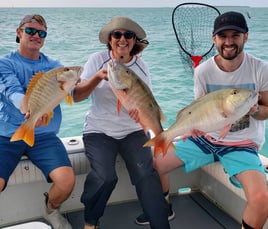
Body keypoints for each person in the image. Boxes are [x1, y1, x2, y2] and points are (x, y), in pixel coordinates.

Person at [154, 11, 268, 229]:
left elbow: (267, 110)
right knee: (153, 164)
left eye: (235, 35)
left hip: (241, 145)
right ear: (214, 39)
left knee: (262, 199)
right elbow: (198, 110)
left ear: (246, 37)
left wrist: (253, 111)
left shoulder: (261, 69)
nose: (229, 41)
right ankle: (164, 207)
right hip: (205, 139)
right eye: (223, 36)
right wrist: (194, 128)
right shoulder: (203, 71)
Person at [73, 16, 171, 229]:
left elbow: (147, 103)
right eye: (117, 34)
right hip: (99, 131)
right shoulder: (96, 60)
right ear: (110, 40)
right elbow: (76, 96)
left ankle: (161, 224)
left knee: (146, 174)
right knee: (105, 177)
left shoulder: (142, 66)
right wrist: (97, 78)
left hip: (133, 131)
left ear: (134, 41)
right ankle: (91, 221)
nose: (122, 39)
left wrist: (142, 118)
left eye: (128, 35)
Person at [0, 14, 75, 229]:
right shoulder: (5, 63)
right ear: (18, 32)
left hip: (44, 136)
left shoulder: (55, 66)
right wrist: (31, 112)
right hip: (6, 134)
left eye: (41, 33)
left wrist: (97, 79)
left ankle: (51, 210)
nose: (36, 36)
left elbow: (72, 94)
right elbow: (12, 91)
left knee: (66, 181)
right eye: (30, 31)